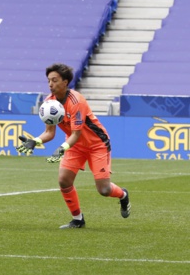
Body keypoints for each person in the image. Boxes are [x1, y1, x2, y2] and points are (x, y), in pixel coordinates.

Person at [16, 63, 131, 229]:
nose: (50, 84)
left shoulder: (76, 101)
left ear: (65, 82)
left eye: (54, 80)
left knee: (104, 190)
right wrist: (35, 141)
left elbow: (76, 134)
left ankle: (123, 194)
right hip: (74, 145)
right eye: (48, 80)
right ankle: (77, 219)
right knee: (64, 180)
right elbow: (49, 132)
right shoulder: (49, 103)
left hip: (96, 144)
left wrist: (62, 148)